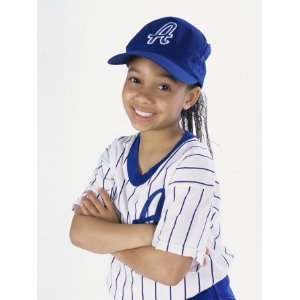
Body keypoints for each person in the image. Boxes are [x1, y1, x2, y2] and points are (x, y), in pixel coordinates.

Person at [69, 16, 236, 300]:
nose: (143, 96)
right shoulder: (116, 153)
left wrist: (111, 233)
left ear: (190, 98)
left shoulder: (192, 163)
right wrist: (153, 234)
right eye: (135, 79)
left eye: (163, 87)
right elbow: (80, 232)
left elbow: (170, 269)